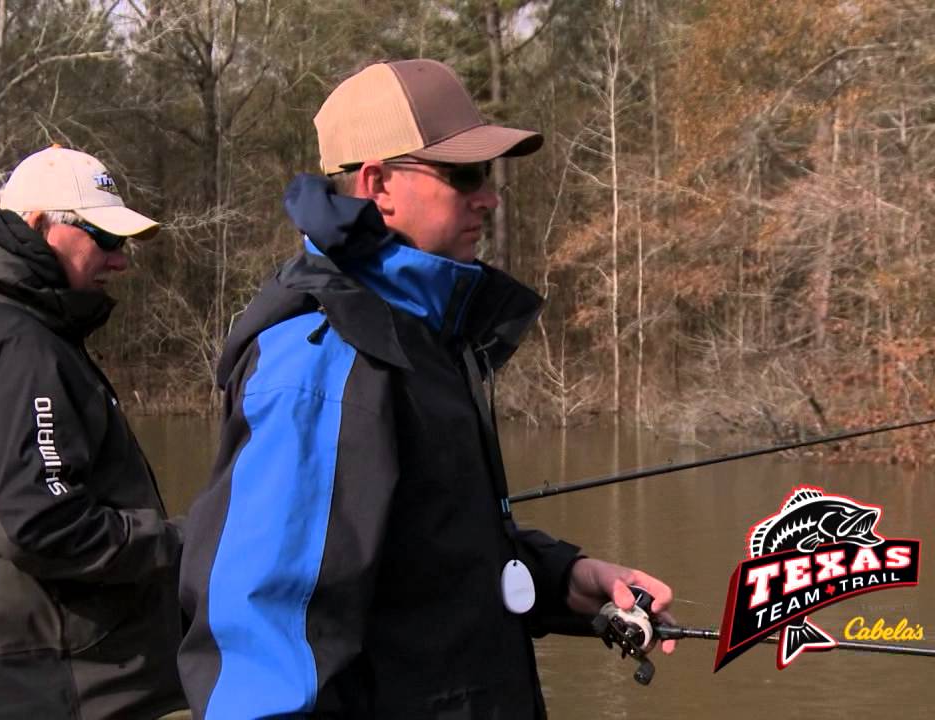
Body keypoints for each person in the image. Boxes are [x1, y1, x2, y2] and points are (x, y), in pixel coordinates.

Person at [177, 59, 676, 718]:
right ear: (377, 182)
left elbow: (425, 550)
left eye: (489, 174)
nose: (488, 196)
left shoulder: (422, 335)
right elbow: (260, 644)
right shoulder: (324, 361)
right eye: (464, 173)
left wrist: (564, 579)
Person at [0, 145, 186, 719]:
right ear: (38, 226)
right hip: (40, 683)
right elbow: (39, 524)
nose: (121, 261)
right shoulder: (19, 346)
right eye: (105, 239)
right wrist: (175, 544)